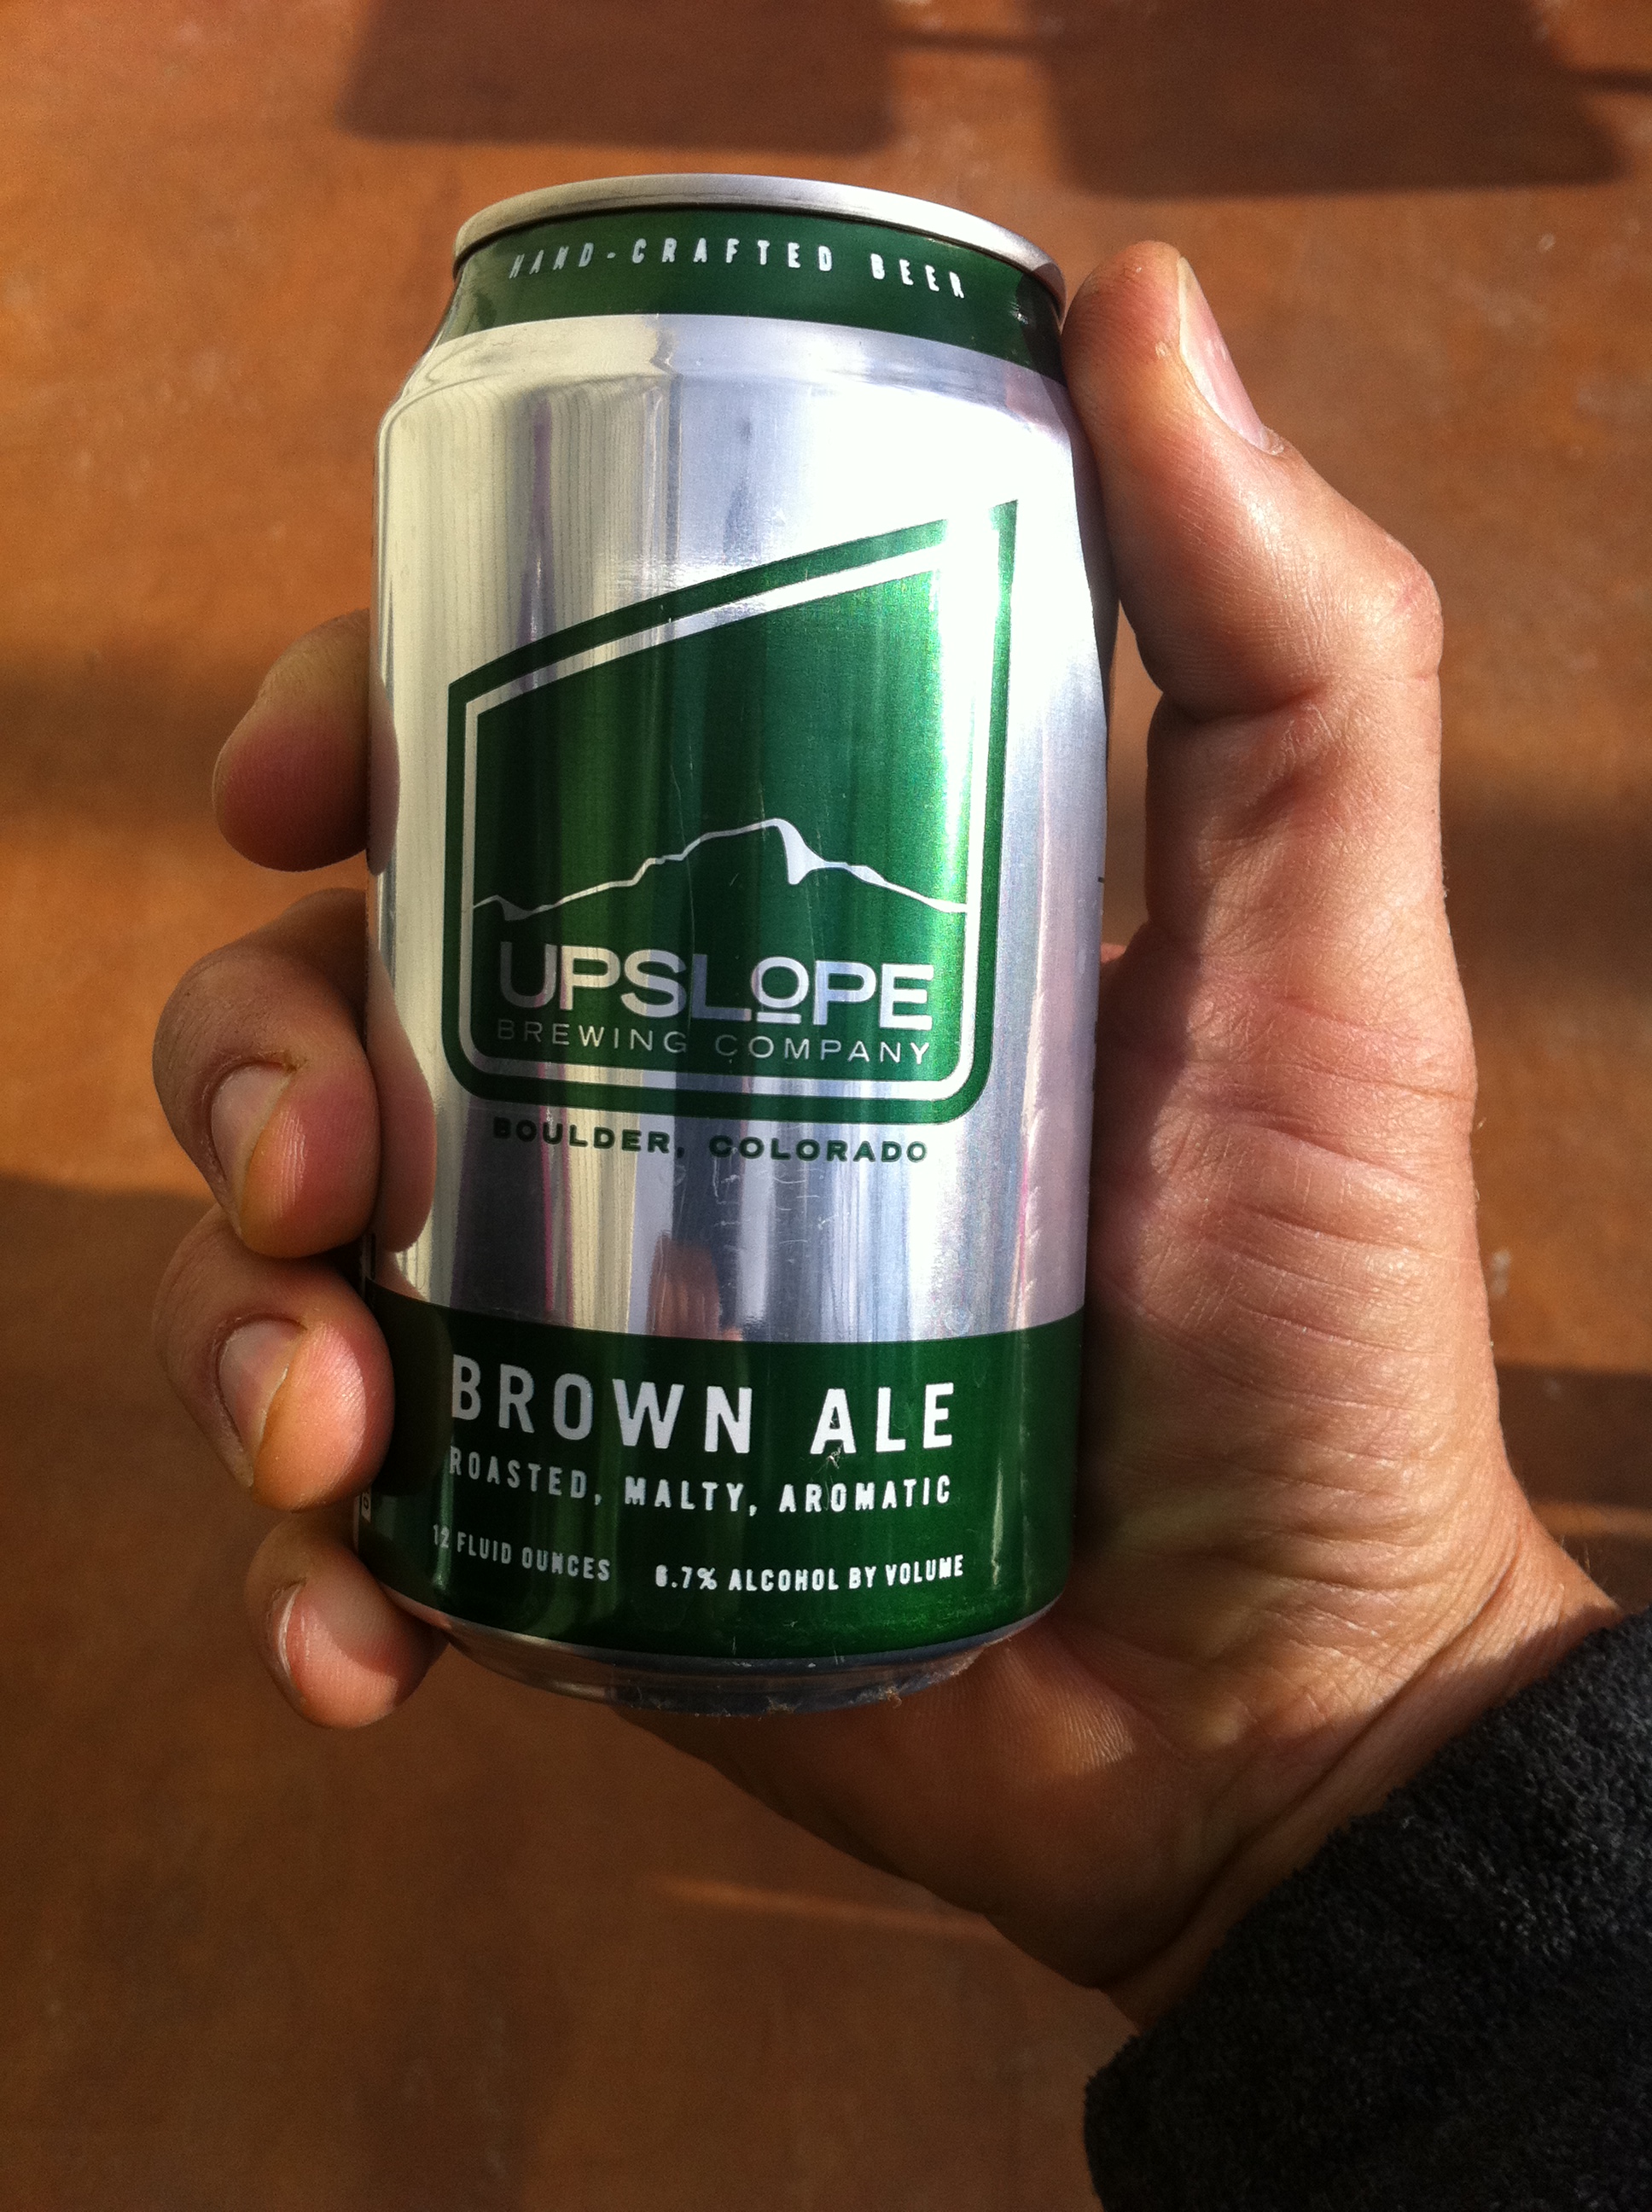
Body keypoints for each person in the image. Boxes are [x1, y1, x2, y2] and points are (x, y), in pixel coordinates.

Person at [151, 243, 1651, 2203]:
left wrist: (1344, 1748)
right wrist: (1338, 1784)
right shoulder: (522, 392)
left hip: (958, 1503)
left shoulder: (962, 416)